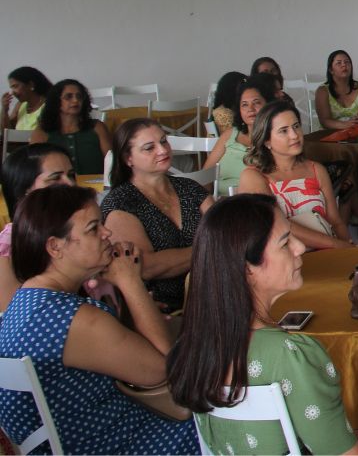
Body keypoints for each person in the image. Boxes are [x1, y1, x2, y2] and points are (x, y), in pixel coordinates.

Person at [167, 194, 358, 455]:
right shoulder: (290, 354)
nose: (300, 247)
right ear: (247, 268)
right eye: (285, 242)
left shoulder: (192, 347)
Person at [0, 186, 198, 453]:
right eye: (94, 228)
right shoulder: (73, 319)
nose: (107, 234)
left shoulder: (28, 301)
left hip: (73, 442)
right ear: (55, 247)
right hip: (118, 444)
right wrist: (129, 280)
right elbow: (163, 370)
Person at [101, 118, 212, 313]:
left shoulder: (190, 189)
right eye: (148, 148)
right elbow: (146, 266)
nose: (162, 150)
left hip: (212, 295)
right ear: (128, 159)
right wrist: (210, 249)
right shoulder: (121, 204)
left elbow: (225, 230)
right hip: (161, 309)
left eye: (163, 141)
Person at [238, 101, 353, 249]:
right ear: (267, 140)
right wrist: (335, 244)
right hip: (283, 259)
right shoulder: (254, 176)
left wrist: (348, 249)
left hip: (327, 253)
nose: (294, 135)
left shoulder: (316, 170)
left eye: (296, 126)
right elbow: (276, 224)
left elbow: (335, 221)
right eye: (283, 131)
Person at [0, 143, 75, 312]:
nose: (70, 184)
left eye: (71, 175)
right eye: (55, 178)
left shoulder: (79, 230)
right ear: (24, 192)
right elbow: (12, 322)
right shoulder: (9, 248)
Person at [204, 77, 275, 193]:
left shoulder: (276, 138)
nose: (250, 109)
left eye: (256, 103)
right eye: (244, 105)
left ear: (268, 105)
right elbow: (206, 176)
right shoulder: (229, 135)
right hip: (222, 203)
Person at [29, 79, 112, 176]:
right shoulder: (42, 133)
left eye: (79, 96)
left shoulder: (97, 127)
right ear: (56, 101)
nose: (75, 100)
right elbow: (33, 169)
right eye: (68, 97)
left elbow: (112, 162)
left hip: (97, 187)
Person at [315, 49, 358, 131]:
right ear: (331, 70)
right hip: (328, 136)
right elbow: (324, 121)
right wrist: (346, 125)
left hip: (356, 133)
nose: (344, 65)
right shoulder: (322, 91)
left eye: (347, 62)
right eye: (339, 63)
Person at [2, 66, 51, 131]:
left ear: (31, 84)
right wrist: (5, 110)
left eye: (15, 86)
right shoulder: (20, 105)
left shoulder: (49, 104)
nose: (12, 92)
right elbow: (7, 133)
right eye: (11, 88)